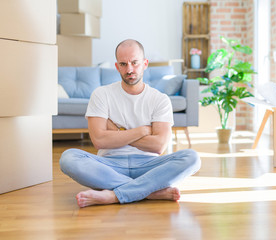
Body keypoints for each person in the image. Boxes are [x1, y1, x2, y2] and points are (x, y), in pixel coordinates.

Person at [59, 39, 201, 208]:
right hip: (109, 165)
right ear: (117, 66)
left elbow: (158, 146)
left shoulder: (159, 99)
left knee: (192, 158)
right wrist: (142, 131)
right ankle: (149, 192)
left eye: (134, 63)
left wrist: (116, 130)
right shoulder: (101, 94)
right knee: (68, 158)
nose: (130, 69)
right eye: (123, 64)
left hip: (149, 166)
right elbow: (99, 140)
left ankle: (115, 195)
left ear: (145, 64)